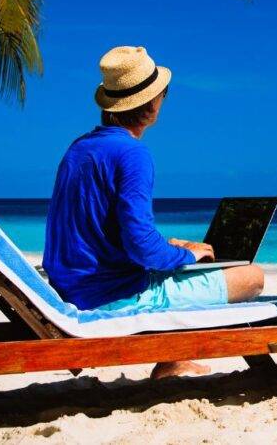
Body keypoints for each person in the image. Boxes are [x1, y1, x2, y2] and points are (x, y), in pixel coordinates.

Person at [44, 46, 264, 378]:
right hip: (110, 297)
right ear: (150, 105)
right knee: (252, 277)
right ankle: (172, 361)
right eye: (163, 95)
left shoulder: (79, 149)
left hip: (73, 287)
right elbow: (139, 246)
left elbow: (106, 233)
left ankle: (173, 360)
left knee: (179, 260)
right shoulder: (133, 154)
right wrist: (187, 257)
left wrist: (174, 250)